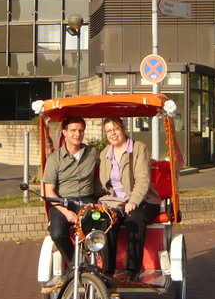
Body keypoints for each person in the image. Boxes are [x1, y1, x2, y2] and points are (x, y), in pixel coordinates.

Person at [98, 116, 162, 280]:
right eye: (109, 131)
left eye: (116, 129)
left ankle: (133, 271)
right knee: (106, 221)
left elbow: (143, 179)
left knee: (134, 218)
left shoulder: (138, 148)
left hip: (144, 199)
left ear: (123, 129)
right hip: (116, 202)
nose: (113, 133)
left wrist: (133, 200)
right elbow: (104, 184)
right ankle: (107, 271)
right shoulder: (105, 153)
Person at [41, 115, 102, 267]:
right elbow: (49, 192)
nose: (77, 134)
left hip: (86, 199)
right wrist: (66, 212)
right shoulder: (55, 159)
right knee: (57, 234)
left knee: (98, 226)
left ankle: (98, 263)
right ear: (64, 132)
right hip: (61, 202)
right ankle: (75, 264)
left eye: (80, 130)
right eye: (73, 130)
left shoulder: (93, 153)